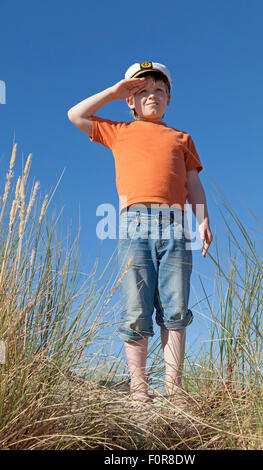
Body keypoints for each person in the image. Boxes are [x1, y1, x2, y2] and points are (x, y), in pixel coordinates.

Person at [67, 61, 213, 406]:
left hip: (176, 224)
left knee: (176, 307)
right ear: (130, 101)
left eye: (159, 90)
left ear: (169, 99)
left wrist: (203, 220)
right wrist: (113, 92)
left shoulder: (181, 138)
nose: (152, 96)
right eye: (142, 91)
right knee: (136, 306)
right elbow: (75, 114)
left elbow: (193, 182)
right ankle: (138, 389)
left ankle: (173, 389)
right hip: (135, 224)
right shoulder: (118, 130)